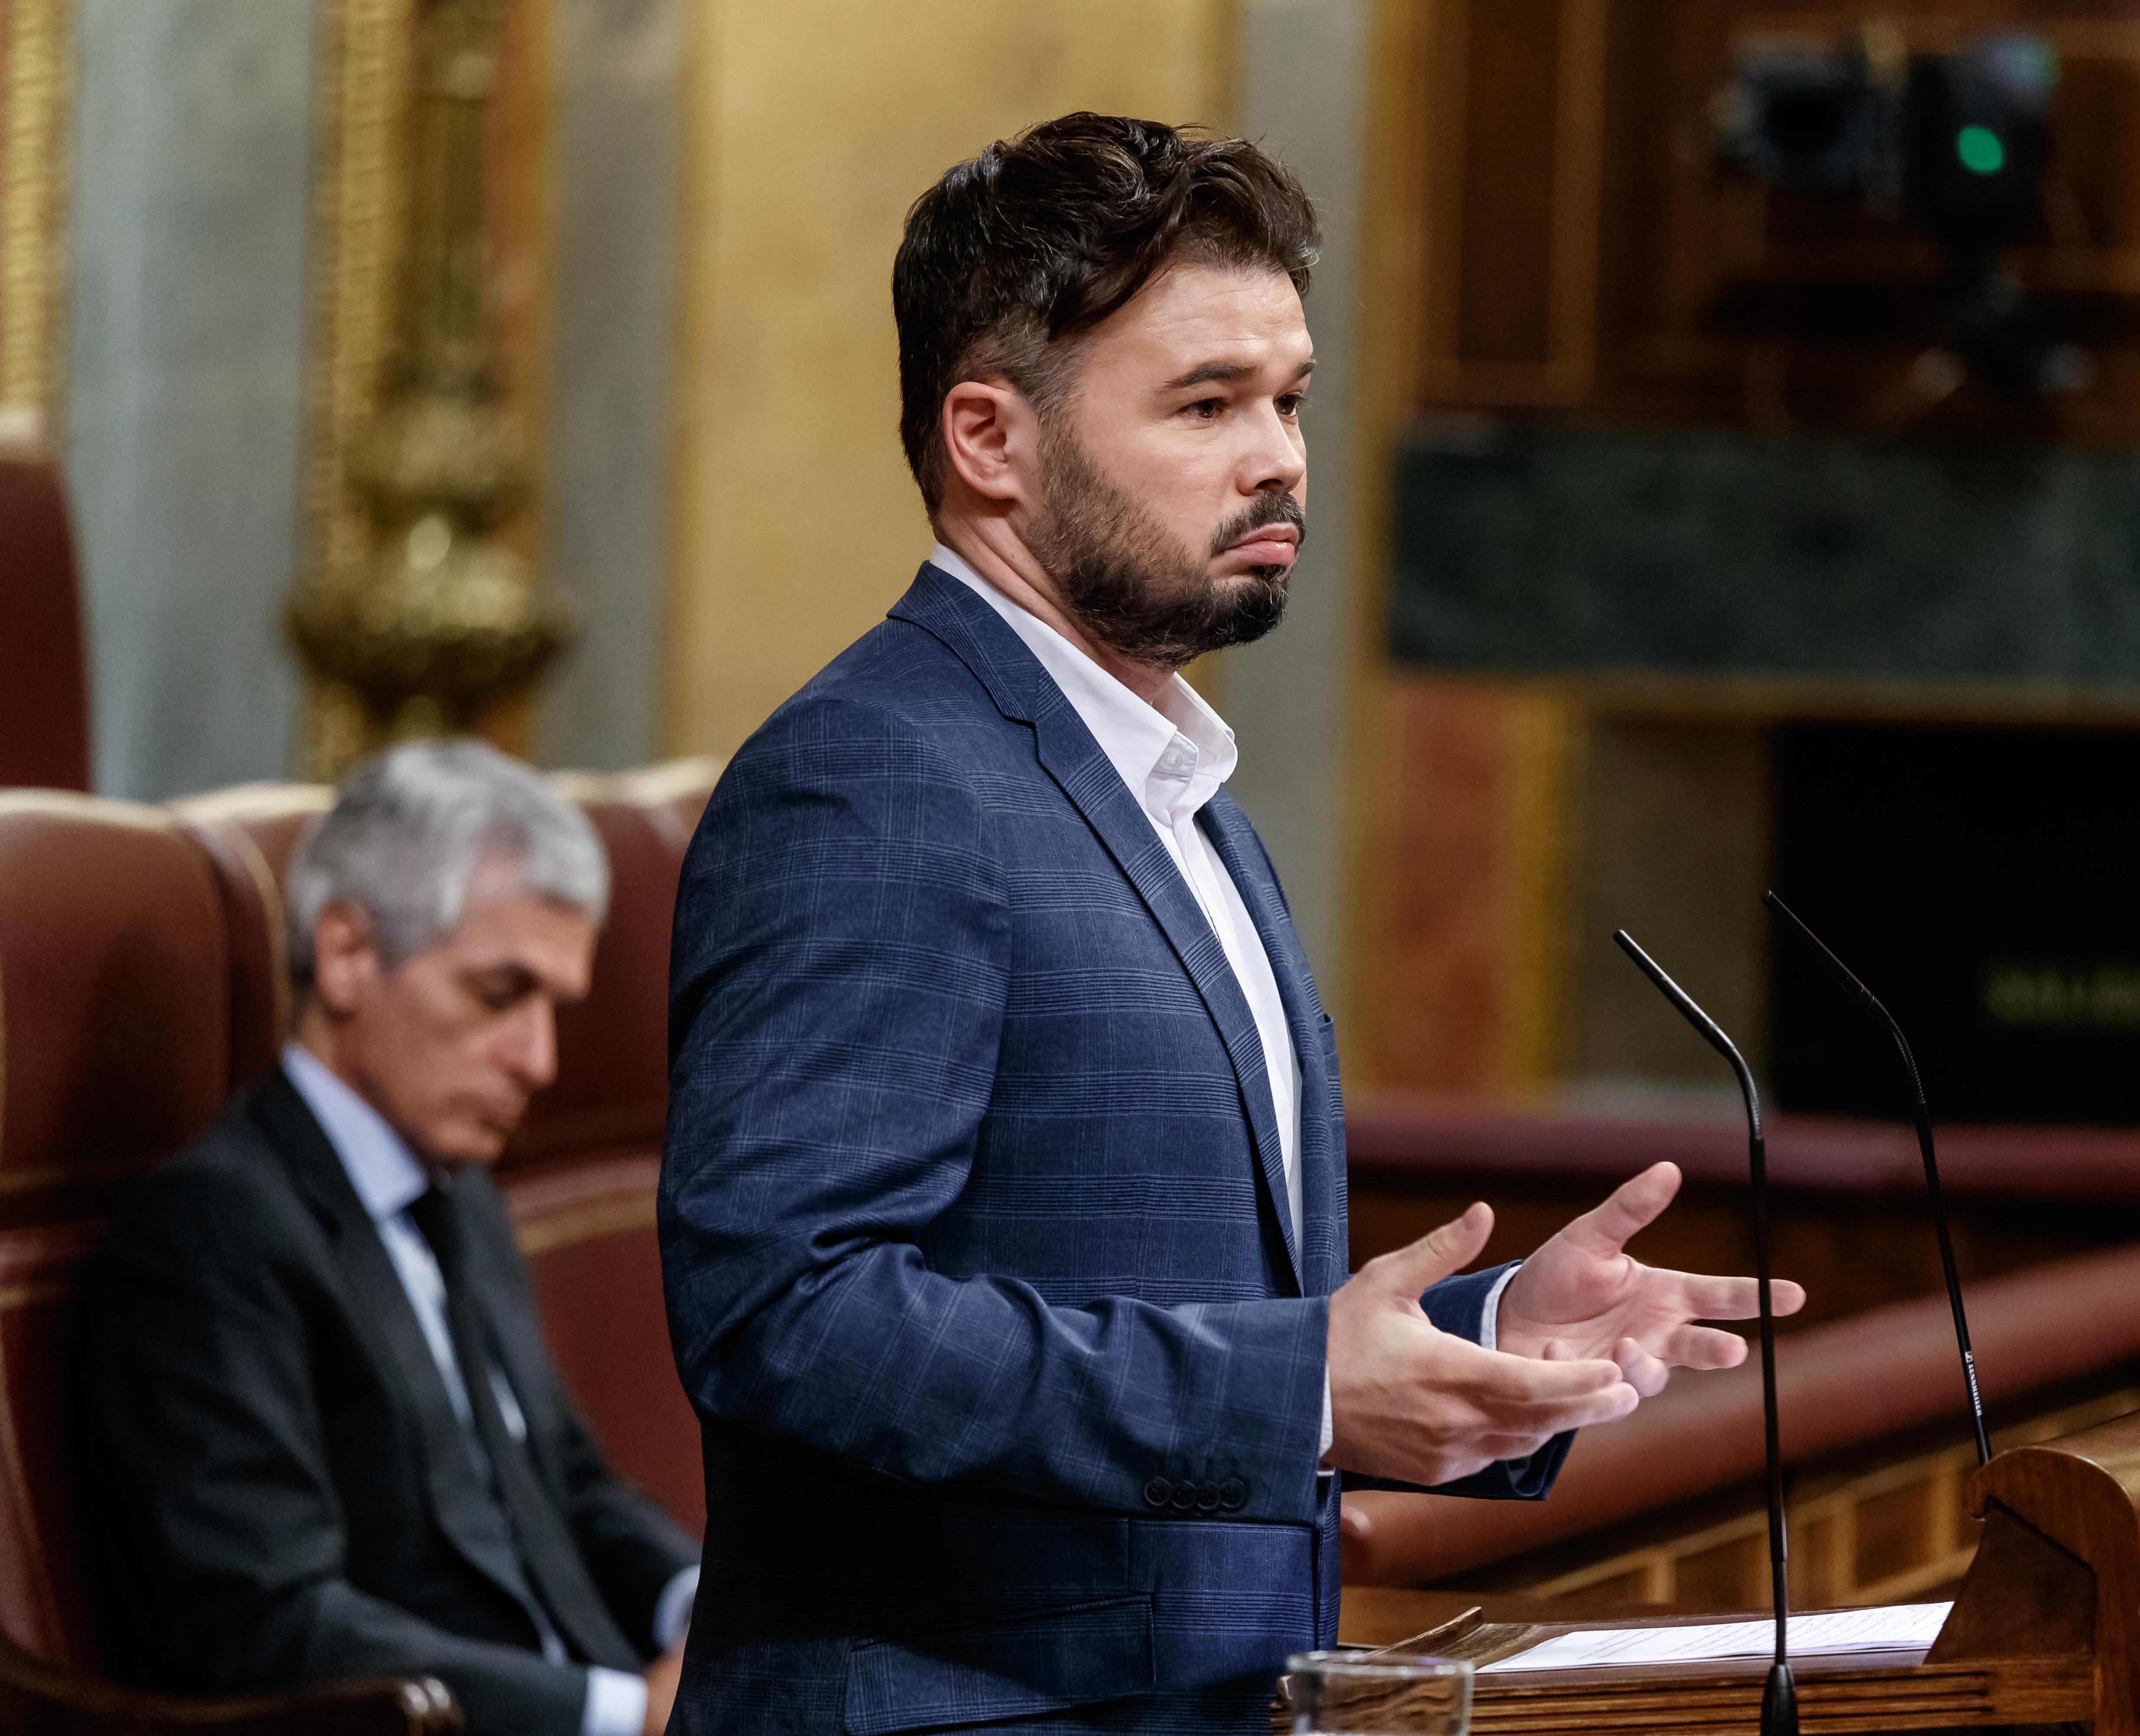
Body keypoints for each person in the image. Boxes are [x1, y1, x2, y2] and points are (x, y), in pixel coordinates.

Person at [659, 113, 1803, 1734]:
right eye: (1206, 404)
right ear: (989, 438)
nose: (1277, 455)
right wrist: (1304, 1393)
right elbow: (788, 1317)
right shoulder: (877, 777)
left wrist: (1473, 1347)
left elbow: (1167, 1278)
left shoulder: (1166, 776)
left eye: (1290, 398)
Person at [82, 741, 700, 1736]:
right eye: (500, 996)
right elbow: (266, 1621)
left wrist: (700, 1602)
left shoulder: (461, 1190)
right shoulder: (216, 1229)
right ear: (347, 954)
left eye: (558, 1009)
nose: (539, 1060)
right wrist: (625, 1713)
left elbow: (565, 1485)